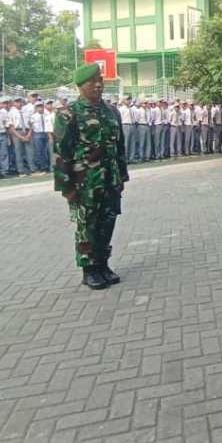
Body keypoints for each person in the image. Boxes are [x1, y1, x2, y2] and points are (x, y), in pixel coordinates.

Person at [54, 63, 129, 290]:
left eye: (100, 81)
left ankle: (103, 264)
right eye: (91, 82)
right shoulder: (68, 115)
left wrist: (122, 176)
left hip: (110, 179)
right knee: (87, 226)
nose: (97, 85)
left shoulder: (111, 111)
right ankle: (89, 270)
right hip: (85, 182)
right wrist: (66, 187)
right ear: (80, 86)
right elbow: (61, 153)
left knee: (107, 223)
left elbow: (119, 146)